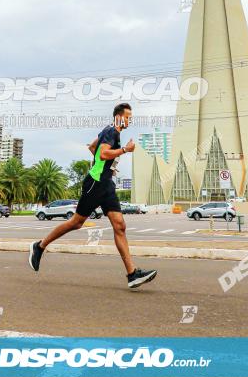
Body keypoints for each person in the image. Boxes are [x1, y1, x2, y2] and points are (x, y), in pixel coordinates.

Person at [29, 103, 157, 289]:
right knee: (76, 222)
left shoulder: (111, 132)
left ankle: (132, 274)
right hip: (95, 184)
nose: (130, 120)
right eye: (128, 117)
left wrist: (107, 167)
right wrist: (123, 151)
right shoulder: (111, 131)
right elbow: (103, 153)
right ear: (119, 117)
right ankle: (39, 246)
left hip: (106, 184)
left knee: (120, 226)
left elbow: (93, 148)